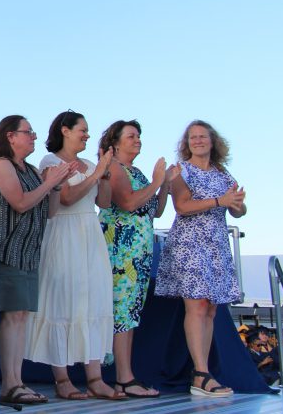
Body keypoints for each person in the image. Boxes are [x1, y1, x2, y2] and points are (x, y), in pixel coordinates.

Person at [25, 111, 124, 400]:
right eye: (82, 129)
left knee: (92, 298)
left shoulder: (91, 164)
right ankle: (62, 379)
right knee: (63, 300)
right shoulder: (51, 162)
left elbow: (103, 202)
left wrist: (103, 176)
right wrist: (96, 173)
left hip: (90, 235)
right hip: (63, 234)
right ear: (65, 130)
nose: (87, 135)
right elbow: (65, 198)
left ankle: (95, 377)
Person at [0, 115, 76, 406]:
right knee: (11, 317)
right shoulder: (0, 165)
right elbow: (20, 202)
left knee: (21, 317)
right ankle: (10, 384)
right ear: (10, 136)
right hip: (4, 251)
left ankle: (17, 381)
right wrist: (51, 183)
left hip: (27, 254)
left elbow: (50, 212)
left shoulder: (33, 171)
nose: (34, 136)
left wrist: (56, 185)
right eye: (28, 132)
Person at [155, 120, 246, 397]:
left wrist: (237, 203)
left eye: (202, 136)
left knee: (210, 308)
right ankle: (201, 373)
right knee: (196, 306)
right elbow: (182, 206)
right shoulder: (181, 171)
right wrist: (220, 201)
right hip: (190, 244)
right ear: (187, 143)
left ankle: (202, 373)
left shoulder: (222, 173)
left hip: (216, 245)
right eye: (192, 137)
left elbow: (239, 212)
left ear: (212, 141)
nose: (197, 141)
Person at [97, 119, 171, 398]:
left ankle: (125, 377)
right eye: (131, 136)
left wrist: (164, 186)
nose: (137, 139)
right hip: (120, 251)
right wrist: (156, 181)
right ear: (115, 144)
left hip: (139, 253)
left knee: (130, 312)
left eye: (138, 135)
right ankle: (123, 377)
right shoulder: (114, 168)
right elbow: (127, 202)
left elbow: (156, 211)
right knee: (121, 312)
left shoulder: (135, 171)